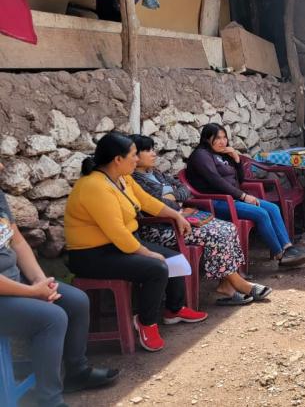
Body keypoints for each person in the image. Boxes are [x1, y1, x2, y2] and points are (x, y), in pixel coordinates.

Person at [65, 132, 208, 353]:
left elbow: (147, 201)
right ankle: (146, 322)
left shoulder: (122, 178)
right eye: (133, 155)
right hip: (92, 254)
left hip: (121, 243)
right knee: (156, 268)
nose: (136, 159)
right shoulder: (94, 186)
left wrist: (176, 215)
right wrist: (147, 253)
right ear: (117, 160)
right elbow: (117, 233)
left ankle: (174, 310)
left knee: (174, 258)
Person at [0, 184, 119, 407]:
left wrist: (38, 280)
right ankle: (50, 400)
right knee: (51, 318)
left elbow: (17, 242)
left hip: (16, 284)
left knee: (76, 301)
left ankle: (77, 371)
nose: (1, 165)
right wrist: (32, 292)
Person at [130, 135, 270, 306]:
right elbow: (156, 205)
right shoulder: (135, 181)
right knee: (217, 234)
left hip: (181, 219)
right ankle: (238, 283)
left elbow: (184, 190)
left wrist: (172, 196)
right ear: (134, 155)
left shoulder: (156, 173)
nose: (153, 154)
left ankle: (227, 284)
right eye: (147, 150)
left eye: (153, 149)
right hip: (162, 229)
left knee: (228, 228)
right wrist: (173, 202)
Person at [186, 123, 305, 267]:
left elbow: (239, 180)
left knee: (272, 208)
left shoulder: (221, 154)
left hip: (232, 198)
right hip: (216, 202)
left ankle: (288, 248)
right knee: (261, 214)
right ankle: (280, 254)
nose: (223, 142)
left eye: (224, 138)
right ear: (207, 139)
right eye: (217, 138)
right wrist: (243, 196)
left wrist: (237, 160)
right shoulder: (201, 156)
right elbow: (216, 181)